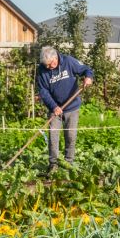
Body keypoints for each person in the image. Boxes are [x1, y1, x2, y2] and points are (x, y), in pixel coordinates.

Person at [36, 46, 93, 174]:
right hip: (54, 108)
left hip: (72, 107)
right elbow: (43, 91)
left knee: (71, 136)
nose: (49, 67)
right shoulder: (41, 70)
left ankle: (68, 163)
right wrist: (53, 106)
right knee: (53, 136)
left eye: (50, 64)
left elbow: (86, 69)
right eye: (46, 66)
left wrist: (88, 77)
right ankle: (53, 164)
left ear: (55, 58)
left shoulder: (68, 61)